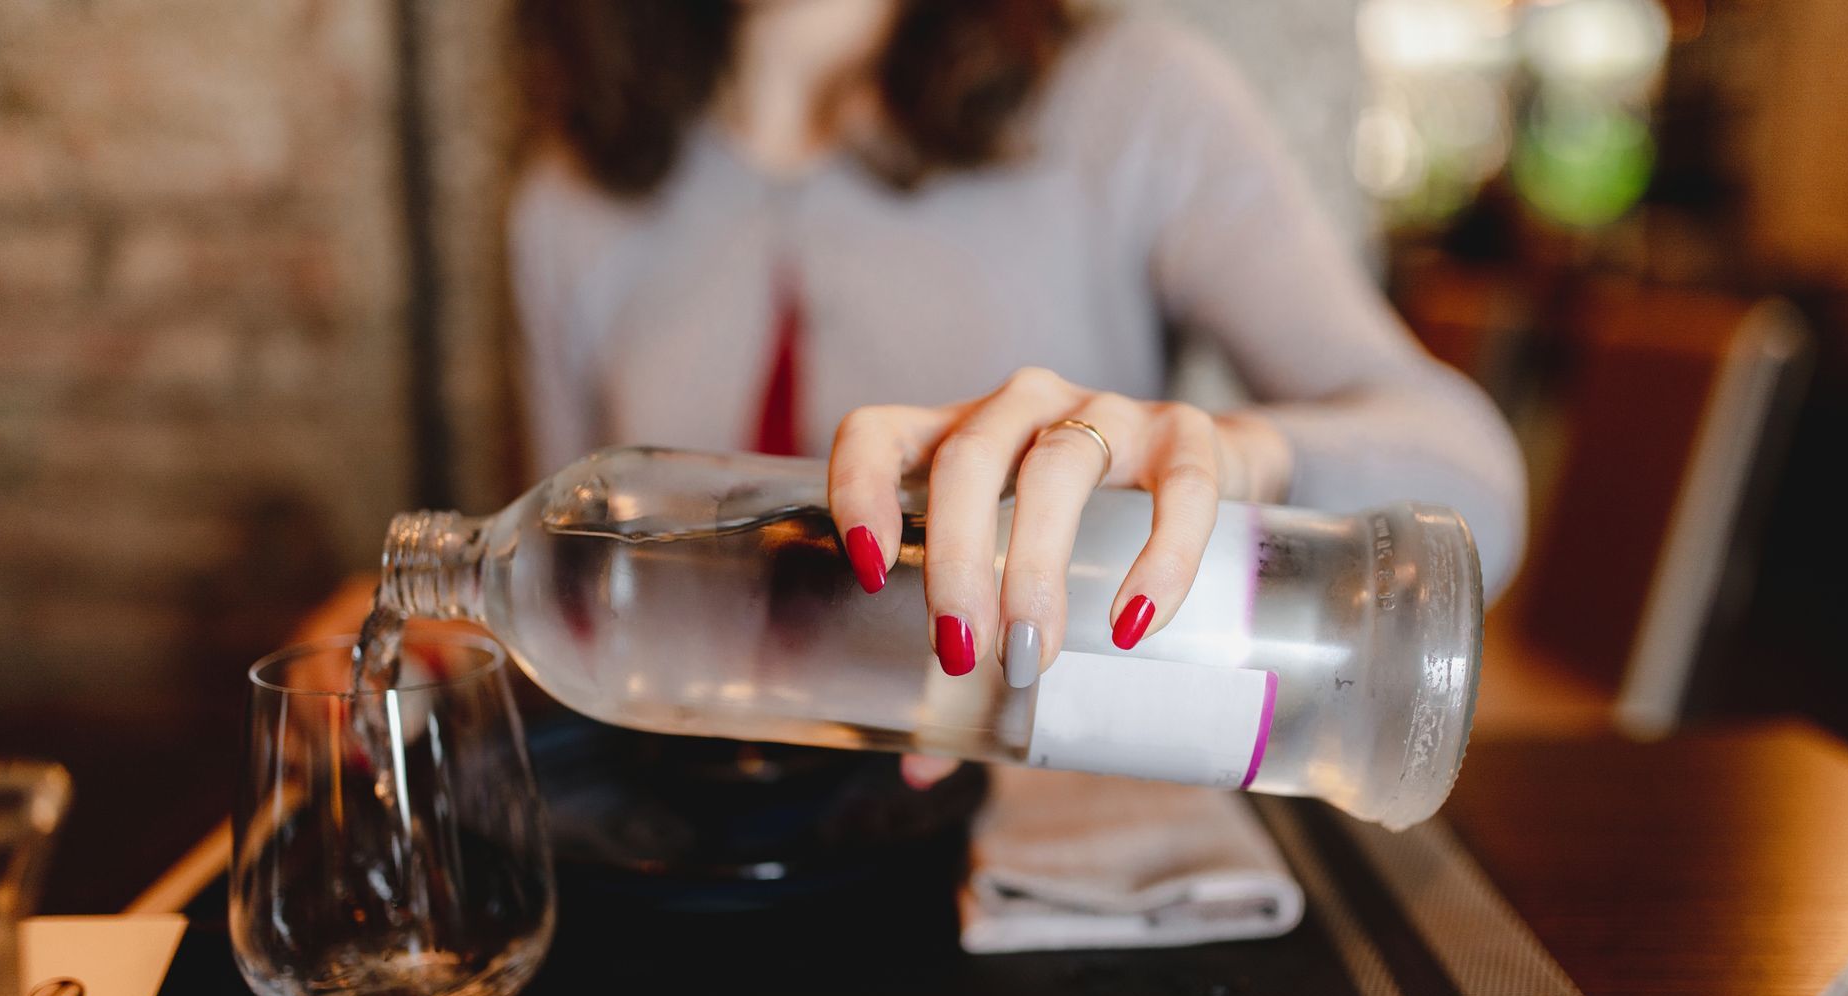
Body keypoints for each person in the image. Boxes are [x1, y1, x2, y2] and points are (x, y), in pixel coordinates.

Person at [511, 0, 1525, 703]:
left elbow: (1473, 488)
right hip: (690, 880)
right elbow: (579, 589)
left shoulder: (1130, 103)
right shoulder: (565, 203)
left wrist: (1226, 454)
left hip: (1052, 859)